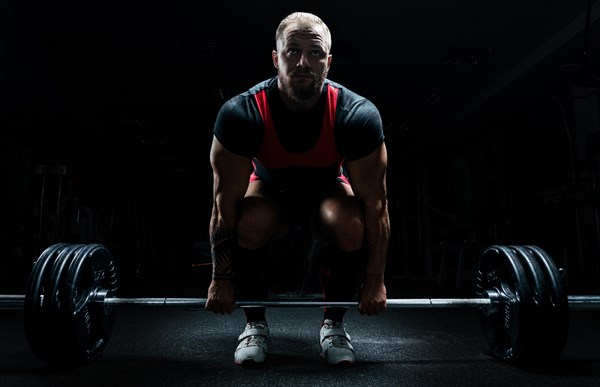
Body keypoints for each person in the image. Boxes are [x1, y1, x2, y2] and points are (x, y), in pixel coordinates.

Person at [206, 11, 390, 366]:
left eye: (315, 53)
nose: (303, 62)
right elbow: (222, 205)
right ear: (276, 59)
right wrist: (221, 279)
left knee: (352, 222)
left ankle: (333, 327)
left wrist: (374, 280)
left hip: (327, 191)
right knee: (250, 219)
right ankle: (255, 324)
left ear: (329, 62)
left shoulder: (356, 115)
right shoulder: (242, 114)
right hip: (269, 192)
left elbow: (377, 207)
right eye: (292, 51)